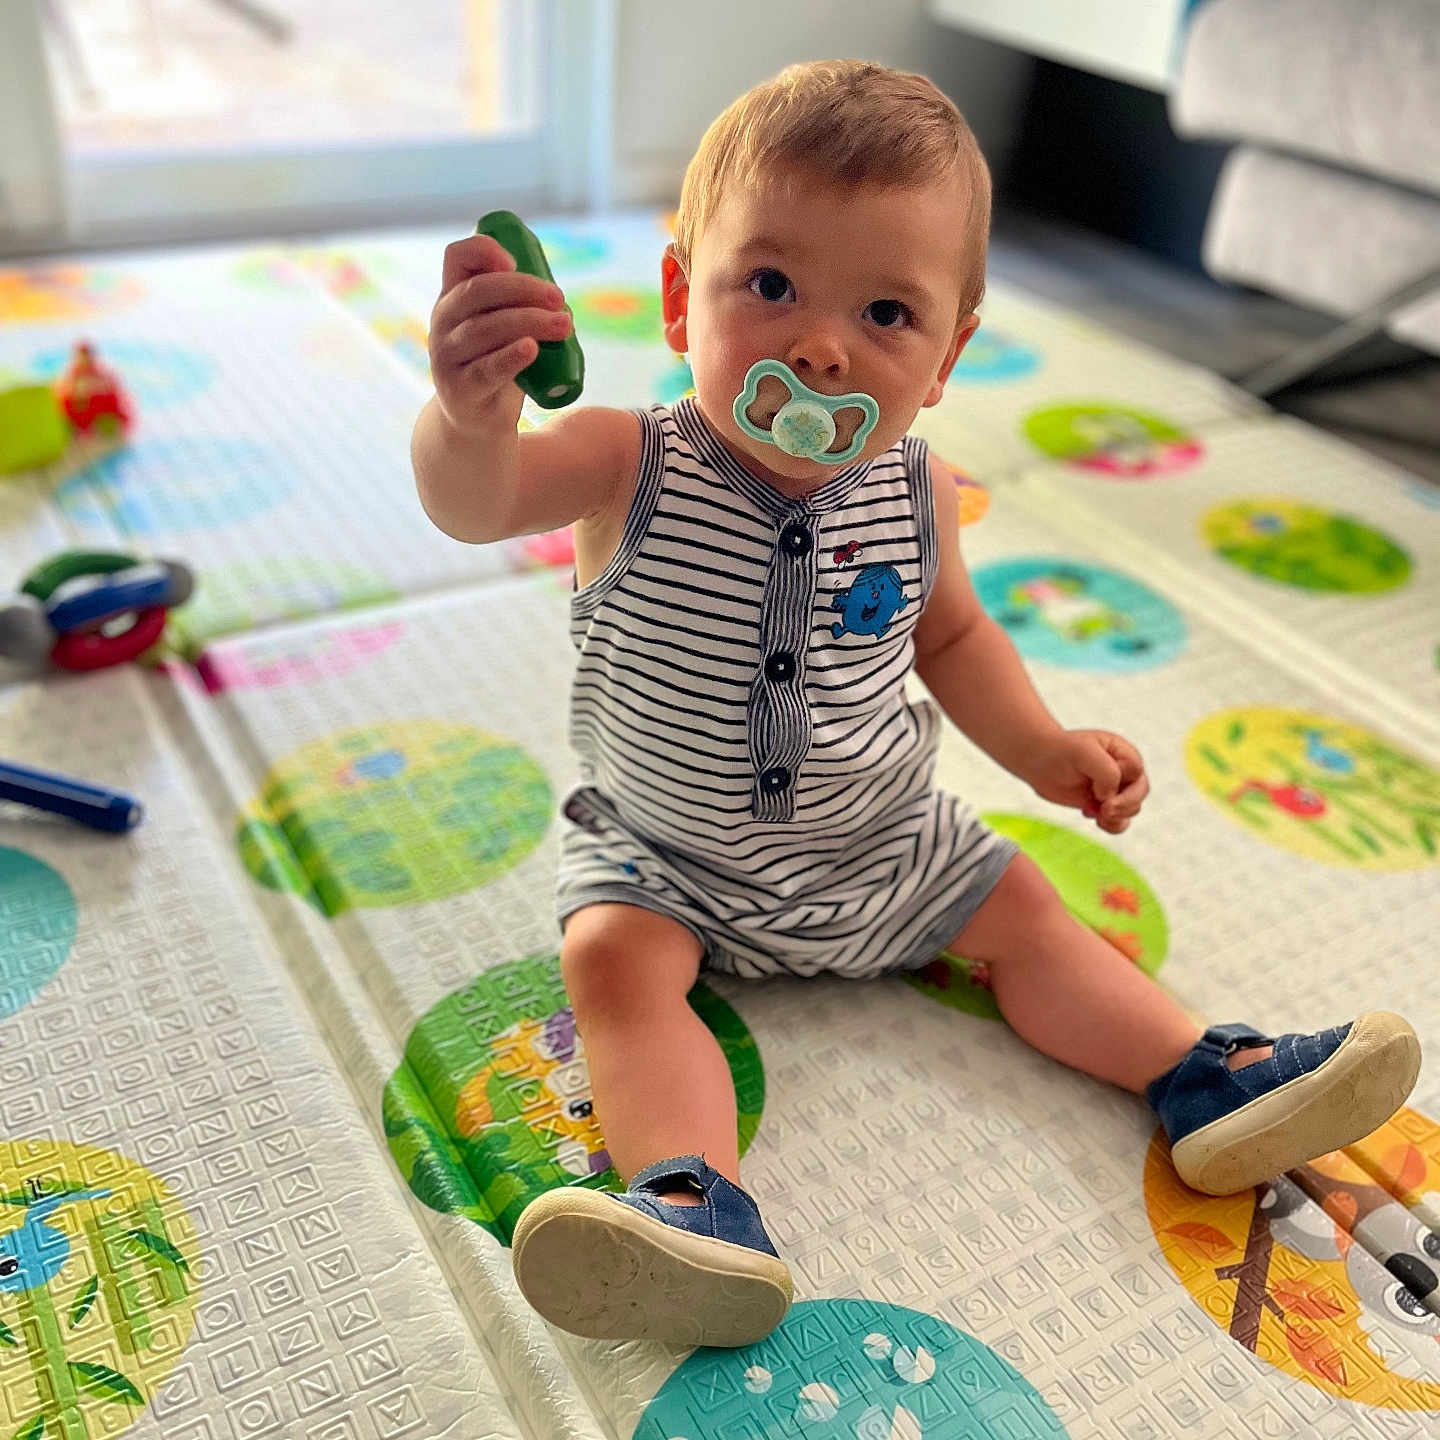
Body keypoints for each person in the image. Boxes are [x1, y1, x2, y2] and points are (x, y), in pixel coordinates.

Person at [410, 59, 1421, 1350]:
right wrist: (466, 415)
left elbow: (954, 634)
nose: (820, 345)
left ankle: (1200, 1079)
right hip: (666, 853)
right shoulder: (628, 460)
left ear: (946, 357)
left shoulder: (919, 491)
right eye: (769, 286)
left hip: (881, 839)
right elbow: (473, 501)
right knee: (610, 967)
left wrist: (1043, 743)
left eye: (886, 312)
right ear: (680, 297)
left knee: (1030, 914)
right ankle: (689, 1204)